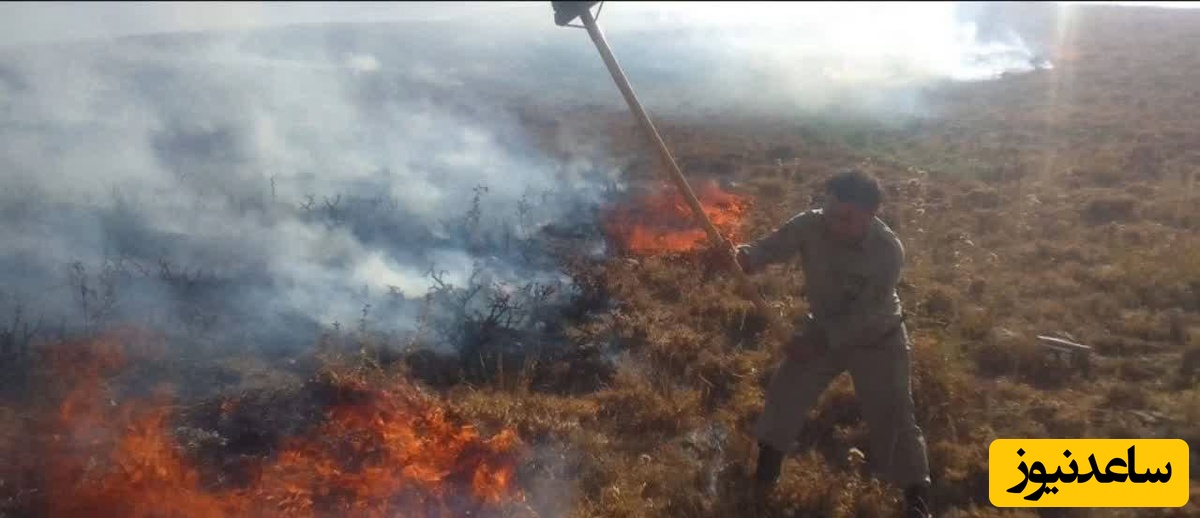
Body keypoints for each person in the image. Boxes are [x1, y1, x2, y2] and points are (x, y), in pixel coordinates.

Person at [720, 169, 932, 518]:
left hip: (878, 338)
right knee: (785, 393)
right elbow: (771, 247)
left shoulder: (887, 251)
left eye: (845, 218)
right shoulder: (810, 224)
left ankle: (918, 502)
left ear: (871, 214)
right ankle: (764, 479)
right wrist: (743, 256)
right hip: (821, 327)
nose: (833, 223)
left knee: (894, 416)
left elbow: (863, 316)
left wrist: (815, 343)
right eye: (830, 211)